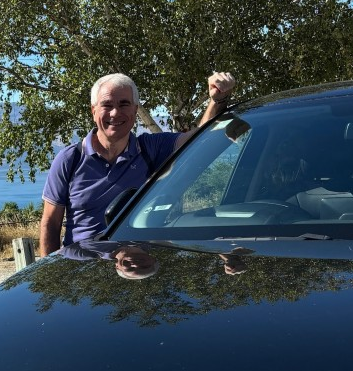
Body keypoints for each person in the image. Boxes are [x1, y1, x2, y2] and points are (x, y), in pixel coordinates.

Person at [40, 71, 236, 255]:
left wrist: (217, 100)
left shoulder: (150, 149)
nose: (115, 113)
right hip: (82, 270)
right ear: (93, 111)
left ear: (135, 110)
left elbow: (200, 139)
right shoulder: (70, 159)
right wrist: (50, 278)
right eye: (107, 105)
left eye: (124, 104)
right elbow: (50, 223)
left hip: (133, 267)